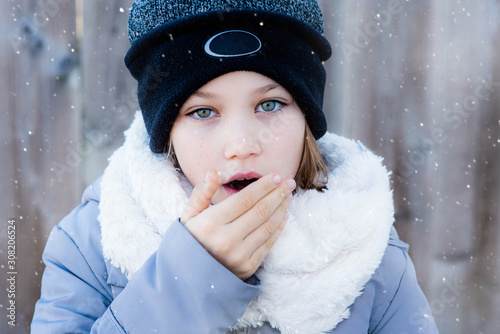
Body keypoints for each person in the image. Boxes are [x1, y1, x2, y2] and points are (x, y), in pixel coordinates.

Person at [31, 0, 439, 333]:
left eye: (270, 104)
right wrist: (189, 282)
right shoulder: (92, 246)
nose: (242, 146)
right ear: (166, 131)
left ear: (306, 122)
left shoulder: (367, 250)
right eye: (204, 111)